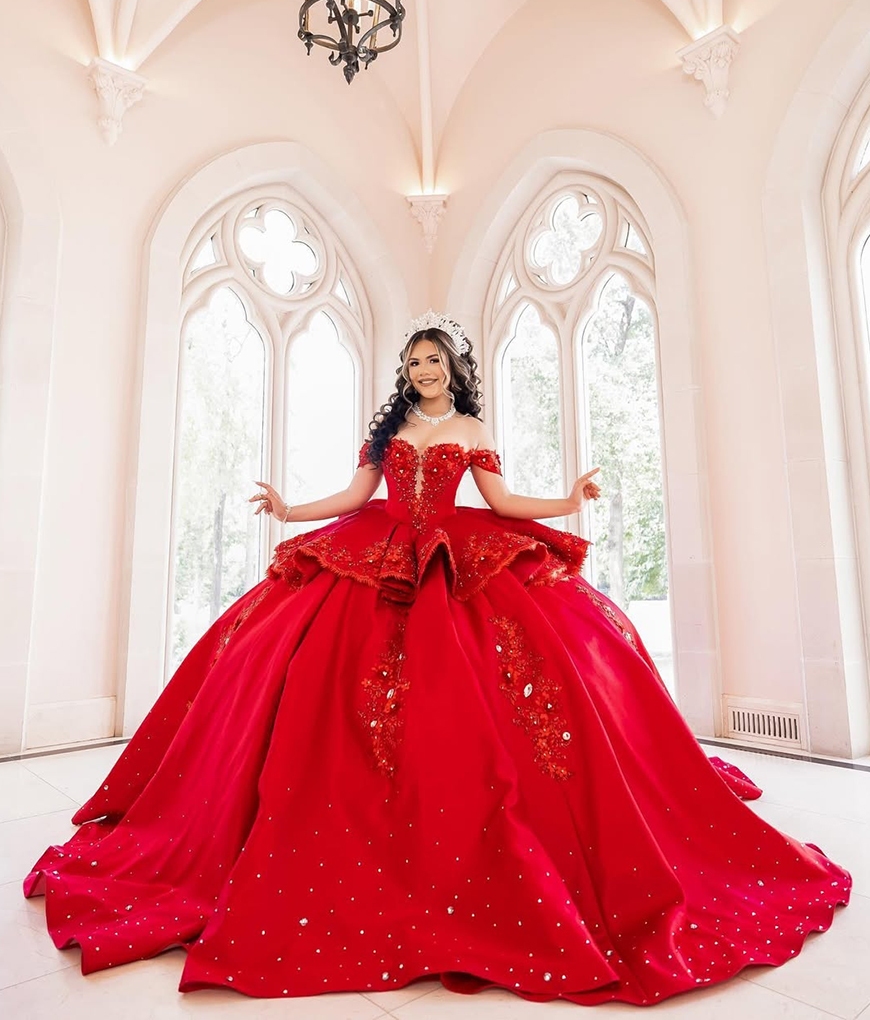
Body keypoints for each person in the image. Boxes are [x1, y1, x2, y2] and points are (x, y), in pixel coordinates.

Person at [24, 311, 850, 1005]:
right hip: (375, 550)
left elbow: (501, 502)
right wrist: (288, 509)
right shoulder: (386, 431)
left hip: (457, 556)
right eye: (412, 361)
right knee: (295, 675)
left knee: (508, 694)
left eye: (432, 359)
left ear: (454, 367)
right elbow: (354, 498)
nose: (421, 370)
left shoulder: (470, 430)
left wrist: (568, 498)